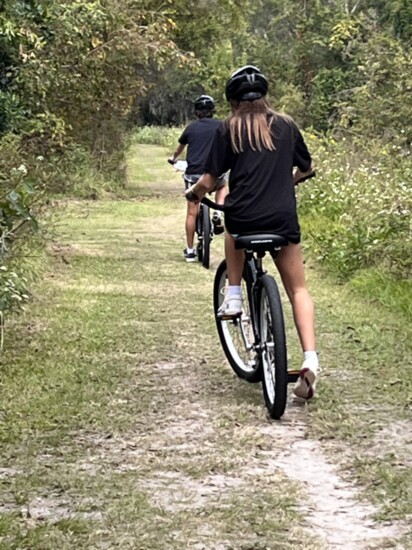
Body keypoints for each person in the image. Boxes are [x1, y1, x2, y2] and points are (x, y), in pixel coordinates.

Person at [185, 66, 319, 400]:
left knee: (232, 225)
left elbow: (210, 179)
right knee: (298, 289)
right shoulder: (287, 125)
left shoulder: (229, 128)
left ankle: (233, 295)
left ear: (232, 101)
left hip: (244, 216)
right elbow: (306, 167)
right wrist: (288, 184)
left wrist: (194, 195)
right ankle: (311, 358)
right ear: (266, 95)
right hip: (283, 217)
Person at [169, 95, 227, 262]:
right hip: (215, 173)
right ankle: (218, 211)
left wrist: (173, 159)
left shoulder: (191, 128)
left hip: (194, 174)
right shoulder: (222, 126)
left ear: (196, 112)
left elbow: (179, 149)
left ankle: (190, 251)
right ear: (212, 111)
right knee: (223, 185)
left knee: (191, 213)